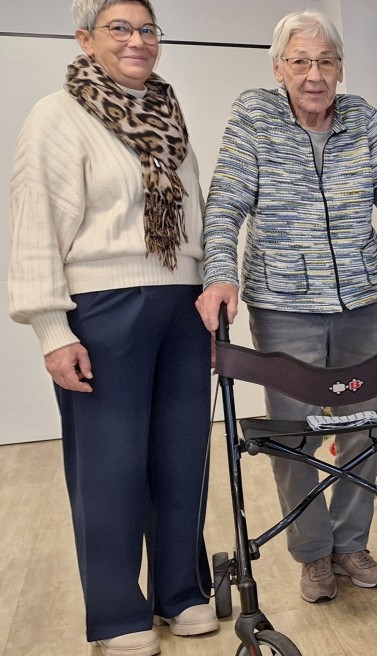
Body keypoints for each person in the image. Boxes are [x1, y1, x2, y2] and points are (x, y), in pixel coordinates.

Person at [196, 10, 377, 604]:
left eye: (326, 61)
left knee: (363, 429)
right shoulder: (253, 117)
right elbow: (225, 204)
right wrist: (220, 277)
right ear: (279, 67)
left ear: (340, 69)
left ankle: (351, 543)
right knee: (294, 435)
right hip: (283, 305)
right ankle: (312, 554)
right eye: (301, 61)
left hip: (364, 299)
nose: (315, 74)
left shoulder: (361, 118)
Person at [7, 1, 218, 654]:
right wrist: (51, 328)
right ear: (85, 39)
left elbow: (197, 214)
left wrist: (210, 288)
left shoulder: (168, 113)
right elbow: (34, 220)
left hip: (182, 308)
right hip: (102, 311)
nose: (137, 40)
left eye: (147, 28)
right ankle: (118, 612)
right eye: (119, 28)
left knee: (183, 461)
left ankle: (180, 592)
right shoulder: (56, 116)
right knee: (111, 467)